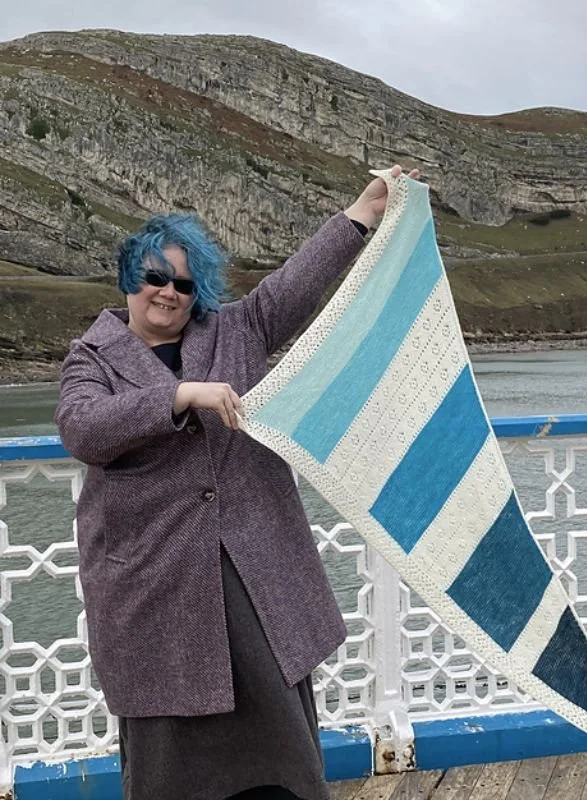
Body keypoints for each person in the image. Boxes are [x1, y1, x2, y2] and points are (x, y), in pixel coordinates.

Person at [55, 165, 420, 800]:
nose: (169, 293)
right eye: (156, 278)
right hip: (154, 587)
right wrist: (179, 395)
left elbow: (296, 284)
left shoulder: (238, 330)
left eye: (186, 285)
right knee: (169, 750)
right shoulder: (91, 357)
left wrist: (363, 211)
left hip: (253, 573)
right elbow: (83, 429)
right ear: (130, 279)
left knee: (277, 744)